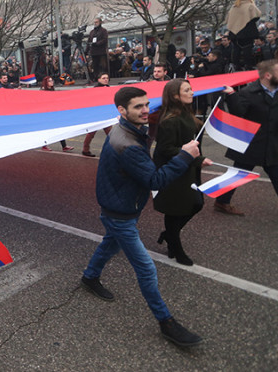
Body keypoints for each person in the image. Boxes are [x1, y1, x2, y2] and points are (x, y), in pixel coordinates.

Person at [80, 86, 203, 347]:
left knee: (110, 245)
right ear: (122, 110)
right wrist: (185, 156)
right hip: (119, 212)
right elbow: (155, 180)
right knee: (146, 268)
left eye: (147, 104)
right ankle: (166, 322)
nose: (146, 110)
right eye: (138, 106)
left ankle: (89, 277)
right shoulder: (128, 143)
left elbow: (143, 170)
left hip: (121, 206)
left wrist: (189, 158)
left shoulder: (127, 130)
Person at [153, 79, 213, 266]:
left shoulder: (186, 112)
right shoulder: (170, 120)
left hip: (188, 168)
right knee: (175, 210)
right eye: (187, 90)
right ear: (175, 96)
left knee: (196, 203)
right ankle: (176, 247)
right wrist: (197, 159)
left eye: (191, 89)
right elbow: (165, 149)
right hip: (174, 170)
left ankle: (169, 235)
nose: (192, 92)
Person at [214, 59, 278, 215]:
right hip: (251, 143)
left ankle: (222, 201)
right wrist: (232, 95)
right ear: (268, 75)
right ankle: (222, 202)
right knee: (237, 174)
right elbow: (238, 113)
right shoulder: (248, 92)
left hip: (272, 144)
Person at [227, 0, 261, 71]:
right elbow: (257, 16)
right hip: (247, 32)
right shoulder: (250, 5)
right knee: (247, 49)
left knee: (236, 49)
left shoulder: (234, 7)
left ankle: (236, 65)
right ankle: (248, 65)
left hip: (234, 32)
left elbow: (228, 19)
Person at [40, 76, 74, 152]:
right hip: (47, 114)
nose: (52, 82)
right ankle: (44, 145)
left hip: (54, 113)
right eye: (49, 81)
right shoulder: (43, 91)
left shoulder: (52, 90)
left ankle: (64, 146)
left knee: (59, 129)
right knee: (48, 130)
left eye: (52, 80)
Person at [82, 73, 111, 157]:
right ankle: (85, 149)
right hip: (97, 115)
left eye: (107, 78)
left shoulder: (109, 88)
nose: (106, 79)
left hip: (105, 115)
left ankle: (114, 151)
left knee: (111, 134)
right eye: (103, 78)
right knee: (91, 133)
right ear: (99, 80)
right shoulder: (95, 89)